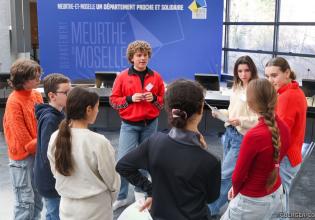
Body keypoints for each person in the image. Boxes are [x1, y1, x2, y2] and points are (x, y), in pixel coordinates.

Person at [116, 79, 221, 220]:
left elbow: (123, 166)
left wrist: (151, 190)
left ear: (168, 107)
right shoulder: (210, 161)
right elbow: (210, 198)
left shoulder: (154, 142)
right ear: (201, 108)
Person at [221, 78, 290, 220]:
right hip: (276, 192)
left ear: (250, 105)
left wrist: (236, 189)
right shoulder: (284, 127)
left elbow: (238, 175)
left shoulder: (254, 135)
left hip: (252, 200)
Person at [47, 87, 120, 220]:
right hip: (96, 209)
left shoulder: (55, 137)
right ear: (88, 109)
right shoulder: (99, 142)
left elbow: (55, 171)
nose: (97, 111)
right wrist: (109, 199)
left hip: (67, 207)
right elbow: (112, 181)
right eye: (97, 107)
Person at [109, 40, 165, 210]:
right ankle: (122, 196)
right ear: (132, 58)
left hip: (150, 125)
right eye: (139, 55)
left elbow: (163, 103)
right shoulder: (122, 77)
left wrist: (154, 99)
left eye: (145, 55)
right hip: (129, 125)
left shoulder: (156, 77)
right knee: (123, 162)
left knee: (147, 161)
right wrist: (129, 99)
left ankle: (144, 194)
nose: (142, 58)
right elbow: (113, 101)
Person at [208, 55, 258, 217]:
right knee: (230, 174)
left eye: (247, 70)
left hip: (243, 137)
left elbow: (260, 119)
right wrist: (220, 113)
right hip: (230, 133)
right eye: (240, 71)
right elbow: (232, 111)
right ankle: (231, 206)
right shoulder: (236, 87)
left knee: (225, 175)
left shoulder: (257, 89)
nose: (243, 74)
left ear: (252, 70)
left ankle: (211, 211)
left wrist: (240, 121)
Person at [265, 57, 307, 211]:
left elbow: (279, 135)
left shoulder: (287, 97)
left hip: (285, 158)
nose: (270, 80)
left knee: (278, 205)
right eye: (267, 76)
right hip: (291, 157)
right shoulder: (294, 91)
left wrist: (272, 162)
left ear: (287, 73)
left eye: (274, 75)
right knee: (281, 200)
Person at [3, 59, 43, 219]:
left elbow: (41, 123)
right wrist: (43, 143)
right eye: (35, 77)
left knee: (38, 200)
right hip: (22, 159)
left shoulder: (36, 94)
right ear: (23, 79)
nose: (39, 79)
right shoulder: (14, 101)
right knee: (25, 202)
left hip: (36, 152)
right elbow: (23, 139)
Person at [34, 73, 71, 220]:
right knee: (54, 214)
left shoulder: (59, 115)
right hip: (50, 181)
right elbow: (48, 154)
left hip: (55, 180)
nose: (70, 95)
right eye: (66, 92)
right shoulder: (50, 119)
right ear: (52, 95)